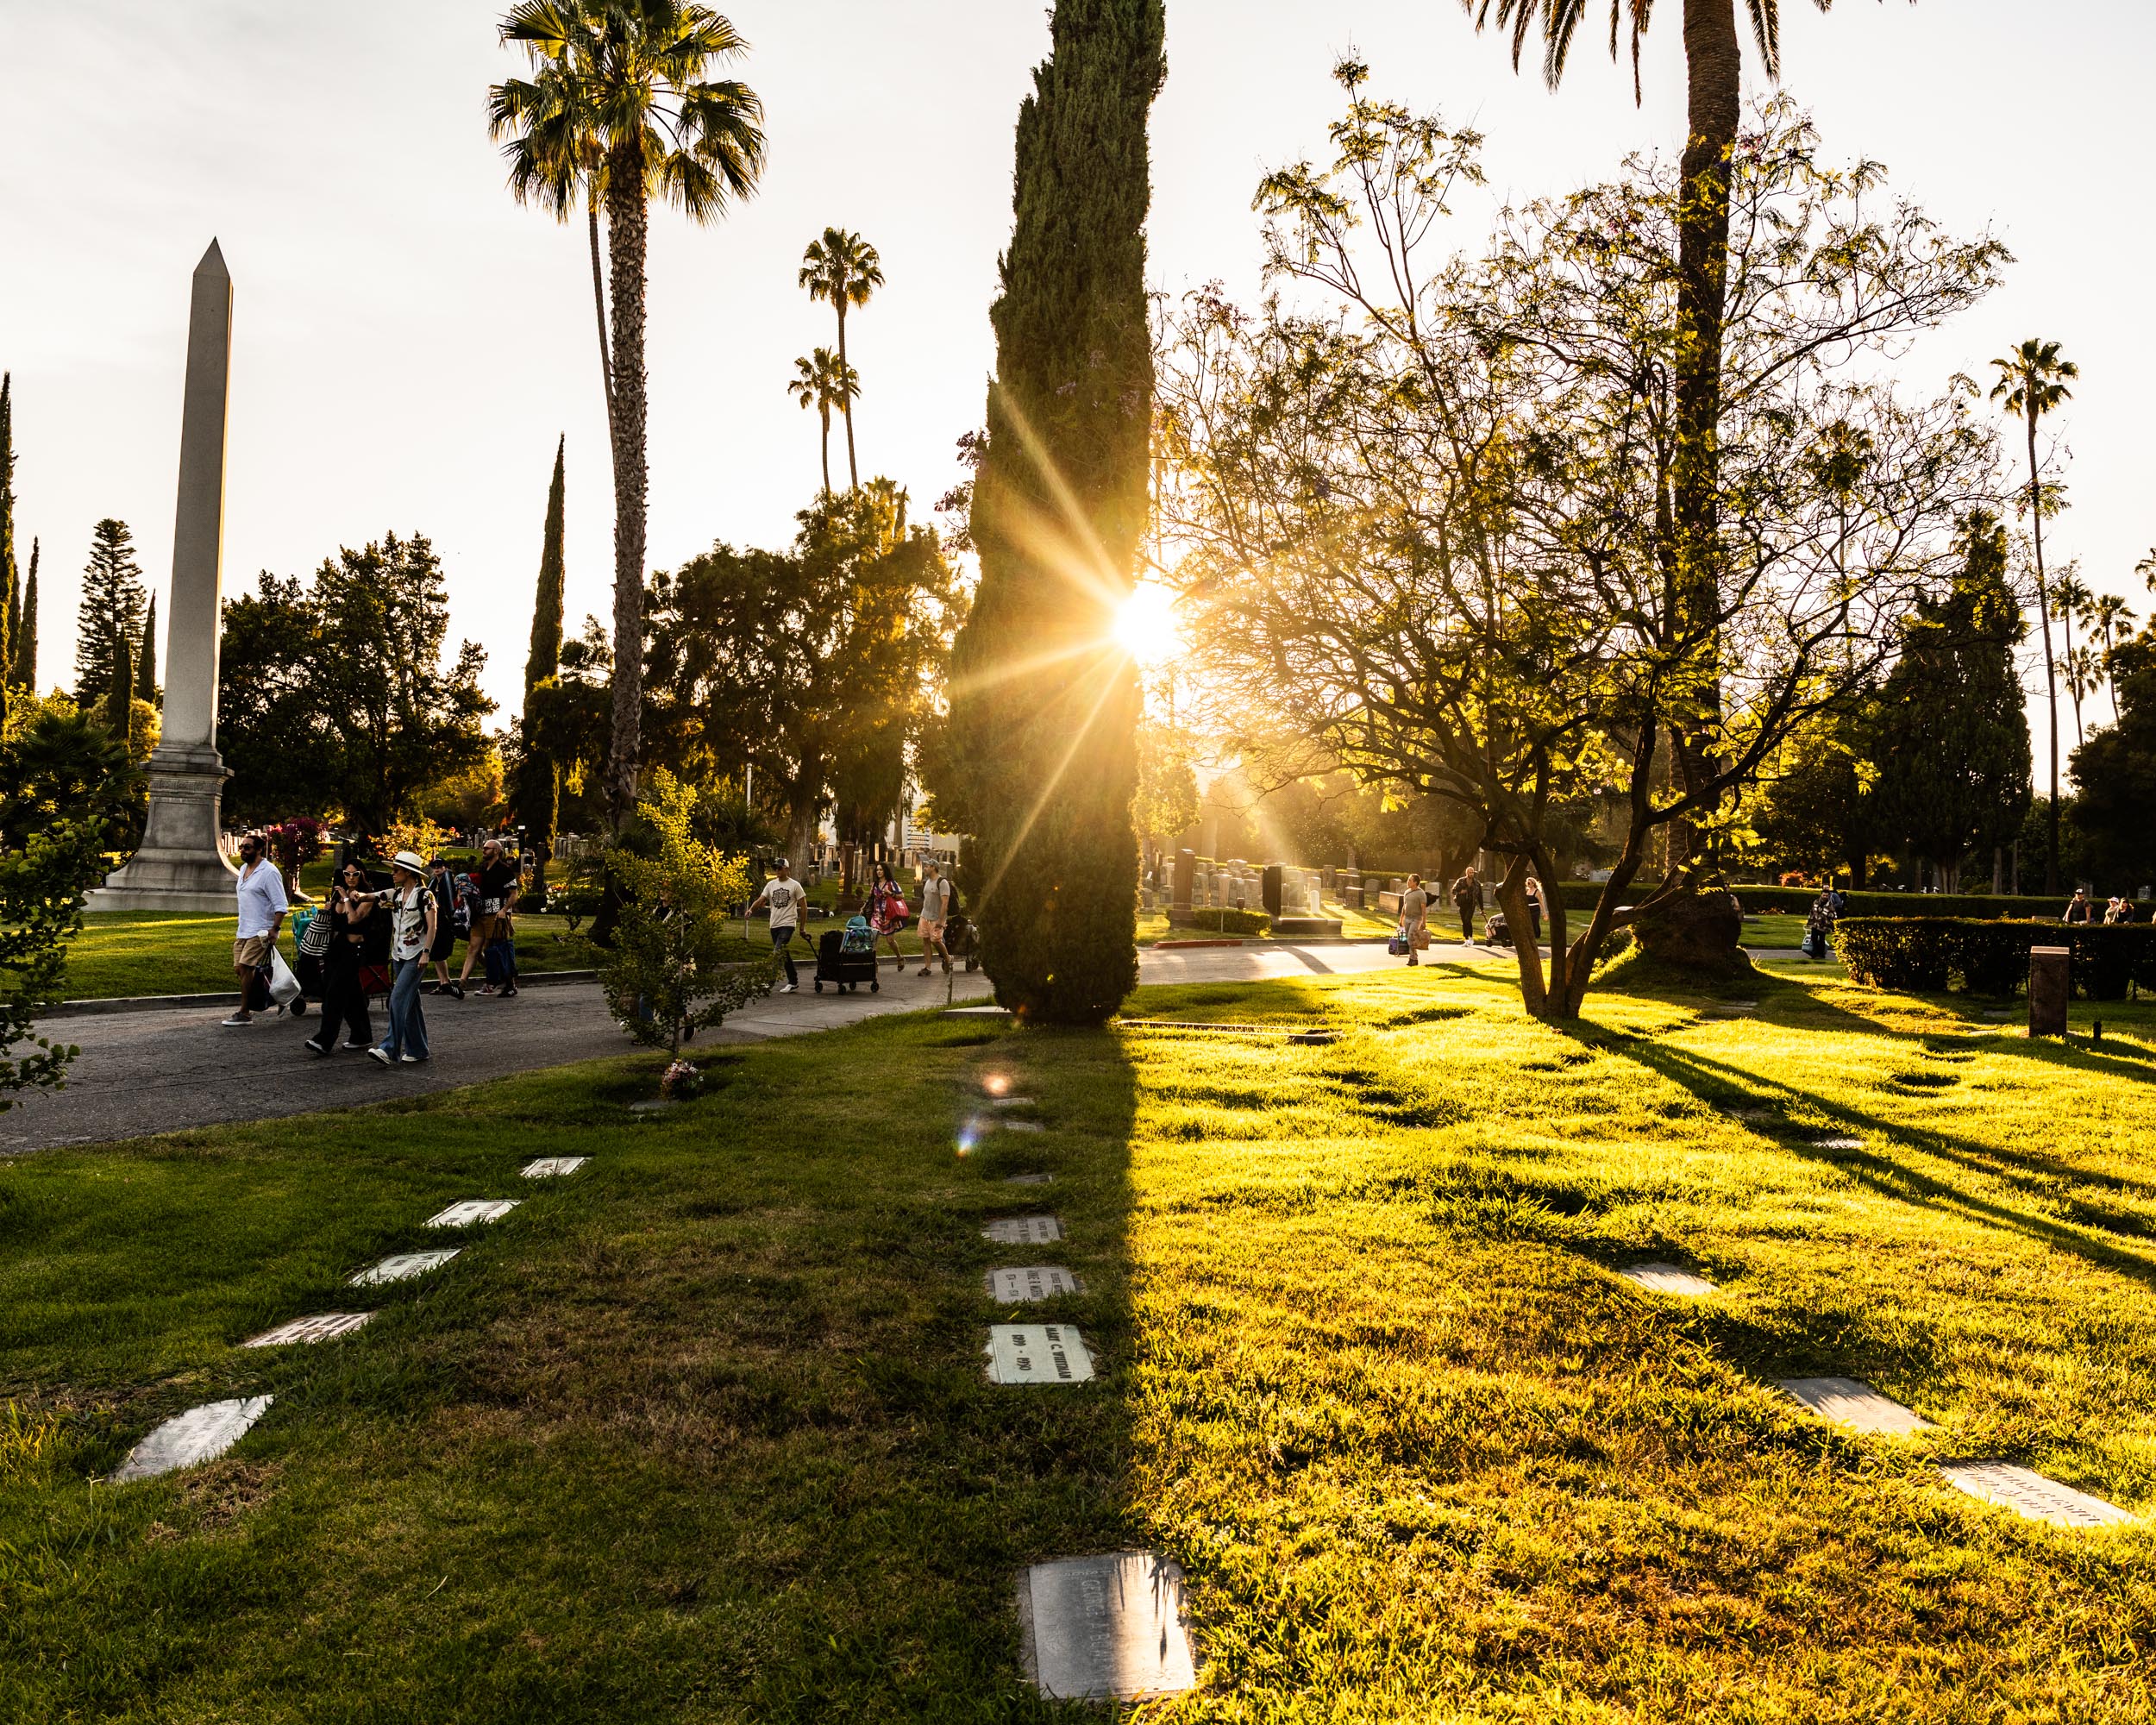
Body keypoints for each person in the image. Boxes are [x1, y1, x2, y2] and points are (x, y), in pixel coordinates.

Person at [305, 859, 381, 1054]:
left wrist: (347, 899)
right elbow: (338, 916)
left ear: (362, 875)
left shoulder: (367, 896)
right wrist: (334, 903)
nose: (350, 878)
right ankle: (362, 1036)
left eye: (355, 874)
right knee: (353, 995)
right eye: (347, 874)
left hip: (354, 949)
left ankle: (324, 1040)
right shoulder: (341, 894)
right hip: (337, 948)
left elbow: (353, 919)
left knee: (335, 995)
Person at [371, 850, 436, 1066]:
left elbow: (433, 926)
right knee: (411, 1001)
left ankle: (389, 1048)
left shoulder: (425, 895)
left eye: (396, 870)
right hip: (399, 954)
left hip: (416, 954)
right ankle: (418, 1049)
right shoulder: (397, 894)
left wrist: (426, 952)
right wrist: (351, 895)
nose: (393, 873)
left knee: (397, 998)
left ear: (408, 872)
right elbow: (372, 896)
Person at [222, 830, 291, 1027]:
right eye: (242, 847)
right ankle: (279, 994)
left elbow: (281, 904)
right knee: (239, 969)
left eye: (247, 847)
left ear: (259, 850)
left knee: (246, 967)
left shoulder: (269, 872)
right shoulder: (244, 868)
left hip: (261, 930)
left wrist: (275, 929)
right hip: (243, 929)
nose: (243, 850)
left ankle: (244, 1013)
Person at [457, 837, 522, 998]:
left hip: (496, 914)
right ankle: (461, 983)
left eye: (487, 848)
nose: (483, 850)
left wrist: (504, 910)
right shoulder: (483, 868)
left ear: (497, 851)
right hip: (480, 914)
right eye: (484, 848)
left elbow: (514, 893)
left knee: (499, 950)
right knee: (474, 948)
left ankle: (509, 984)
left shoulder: (504, 870)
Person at [746, 856, 811, 993]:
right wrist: (751, 909)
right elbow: (761, 899)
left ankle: (768, 982)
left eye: (780, 868)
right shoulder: (771, 885)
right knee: (783, 954)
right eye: (775, 868)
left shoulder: (795, 885)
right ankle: (793, 982)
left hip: (788, 924)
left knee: (777, 953)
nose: (777, 870)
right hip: (774, 925)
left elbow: (804, 907)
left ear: (787, 869)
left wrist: (802, 928)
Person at [425, 856, 464, 997]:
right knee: (436, 952)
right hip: (436, 919)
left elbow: (449, 901)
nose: (436, 869)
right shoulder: (434, 881)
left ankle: (445, 982)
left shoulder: (448, 880)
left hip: (445, 920)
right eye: (434, 866)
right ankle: (444, 982)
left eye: (440, 866)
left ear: (445, 867)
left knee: (439, 952)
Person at [866, 861, 909, 969]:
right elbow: (870, 898)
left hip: (889, 916)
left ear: (885, 871)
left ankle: (899, 957)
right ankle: (874, 963)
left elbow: (901, 896)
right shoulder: (875, 884)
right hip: (876, 915)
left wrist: (890, 893)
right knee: (874, 939)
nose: (879, 872)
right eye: (877, 870)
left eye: (881, 870)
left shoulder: (891, 883)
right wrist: (864, 908)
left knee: (890, 940)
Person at [916, 860, 953, 976]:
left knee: (936, 940)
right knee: (926, 941)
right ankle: (927, 968)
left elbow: (945, 903)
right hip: (925, 916)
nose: (924, 869)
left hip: (936, 918)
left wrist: (940, 921)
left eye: (926, 866)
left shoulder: (942, 882)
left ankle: (948, 959)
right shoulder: (927, 881)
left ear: (933, 868)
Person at [1399, 875, 1429, 967]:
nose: (1408, 882)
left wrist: (1424, 922)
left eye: (1410, 880)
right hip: (1407, 918)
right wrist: (1401, 918)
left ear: (1415, 882)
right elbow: (1404, 906)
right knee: (1410, 939)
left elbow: (1423, 909)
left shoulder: (1421, 893)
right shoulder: (1407, 892)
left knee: (1410, 938)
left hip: (1416, 919)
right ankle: (1413, 959)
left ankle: (1413, 958)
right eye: (1408, 880)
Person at [1451, 865, 1482, 944]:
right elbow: (1453, 890)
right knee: (1464, 921)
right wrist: (1460, 892)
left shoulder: (1476, 883)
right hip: (1462, 904)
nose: (1472, 874)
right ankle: (1466, 939)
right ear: (1467, 873)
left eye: (1472, 872)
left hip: (1471, 905)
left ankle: (1471, 937)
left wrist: (1482, 909)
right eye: (1470, 872)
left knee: (1468, 919)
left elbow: (1480, 896)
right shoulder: (1461, 881)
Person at [1523, 875, 1545, 944]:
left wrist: (1544, 912)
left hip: (1535, 909)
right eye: (1527, 883)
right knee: (1528, 922)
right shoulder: (1527, 891)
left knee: (1534, 922)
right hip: (1528, 909)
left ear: (1533, 883)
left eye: (1529, 883)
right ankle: (1529, 935)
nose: (1528, 884)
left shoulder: (1537, 891)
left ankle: (1536, 935)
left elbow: (1541, 902)